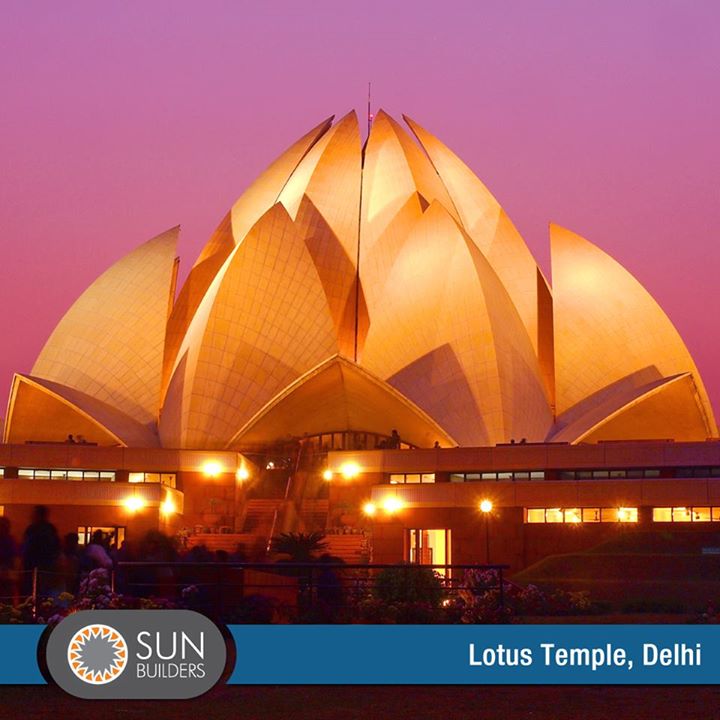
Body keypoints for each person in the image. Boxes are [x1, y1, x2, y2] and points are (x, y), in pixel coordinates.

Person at [21, 505, 61, 597]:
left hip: (35, 567)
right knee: (43, 595)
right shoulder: (50, 529)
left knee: (32, 594)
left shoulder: (33, 529)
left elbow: (27, 548)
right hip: (45, 567)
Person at [0, 518, 17, 604]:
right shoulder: (10, 540)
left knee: (6, 596)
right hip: (8, 572)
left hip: (7, 572)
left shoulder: (10, 540)